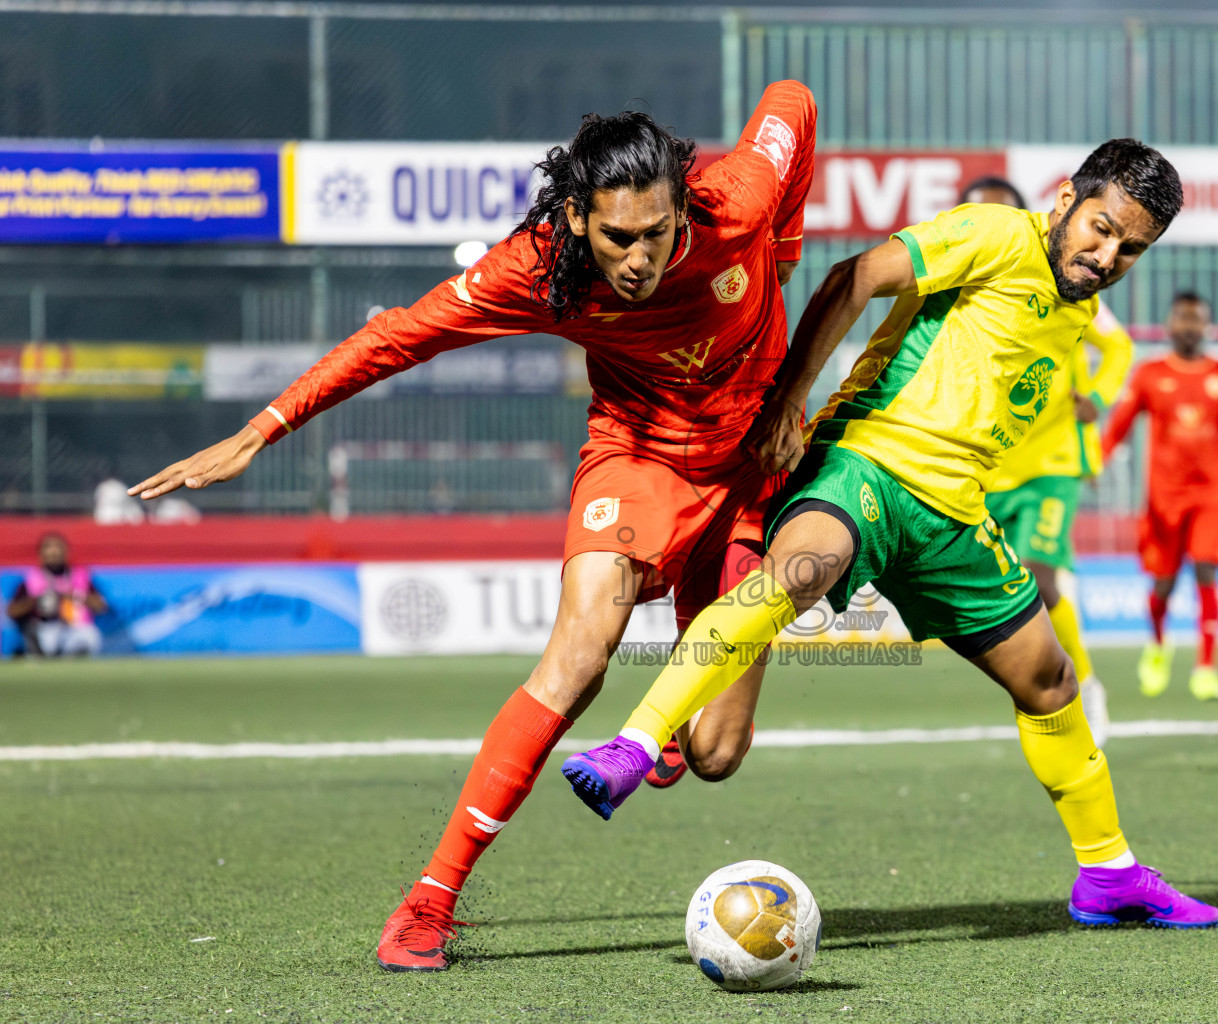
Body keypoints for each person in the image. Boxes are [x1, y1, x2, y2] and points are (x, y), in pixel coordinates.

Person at [129, 81, 819, 971]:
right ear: (576, 219)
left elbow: (792, 102)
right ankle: (429, 903)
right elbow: (397, 338)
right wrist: (262, 430)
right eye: (618, 237)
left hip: (751, 469)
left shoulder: (739, 201)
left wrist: (784, 253)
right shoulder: (535, 269)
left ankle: (677, 718)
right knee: (577, 658)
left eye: (657, 232)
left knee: (717, 752)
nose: (641, 257)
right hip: (638, 456)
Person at [567, 140, 1218, 929]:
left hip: (953, 512)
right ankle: (633, 746)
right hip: (868, 462)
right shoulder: (995, 234)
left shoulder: (1079, 306)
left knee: (1049, 682)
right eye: (1101, 227)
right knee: (799, 574)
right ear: (1064, 198)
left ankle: (1109, 874)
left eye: (1130, 248)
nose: (1108, 253)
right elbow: (856, 278)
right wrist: (789, 401)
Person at [963, 176, 1135, 746]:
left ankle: (1082, 683)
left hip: (1053, 463)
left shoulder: (1067, 280)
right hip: (987, 465)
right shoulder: (962, 286)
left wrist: (1100, 398)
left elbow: (1118, 347)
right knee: (999, 590)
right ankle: (1044, 682)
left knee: (1039, 576)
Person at [1100, 292, 1218, 701]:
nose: (1188, 326)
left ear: (1207, 325)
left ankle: (1205, 667)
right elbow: (1120, 425)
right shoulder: (1149, 374)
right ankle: (1158, 644)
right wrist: (1095, 460)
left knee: (1206, 570)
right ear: (1169, 325)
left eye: (1196, 319)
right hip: (1163, 500)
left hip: (1211, 496)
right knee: (1162, 584)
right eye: (1182, 318)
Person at [7, 533, 107, 657]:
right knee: (36, 635)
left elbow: (101, 606)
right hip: (44, 628)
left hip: (73, 628)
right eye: (48, 548)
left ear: (66, 551)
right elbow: (12, 611)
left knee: (90, 636)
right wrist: (37, 600)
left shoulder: (80, 576)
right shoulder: (31, 579)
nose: (54, 553)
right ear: (40, 554)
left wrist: (72, 595)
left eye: (58, 548)